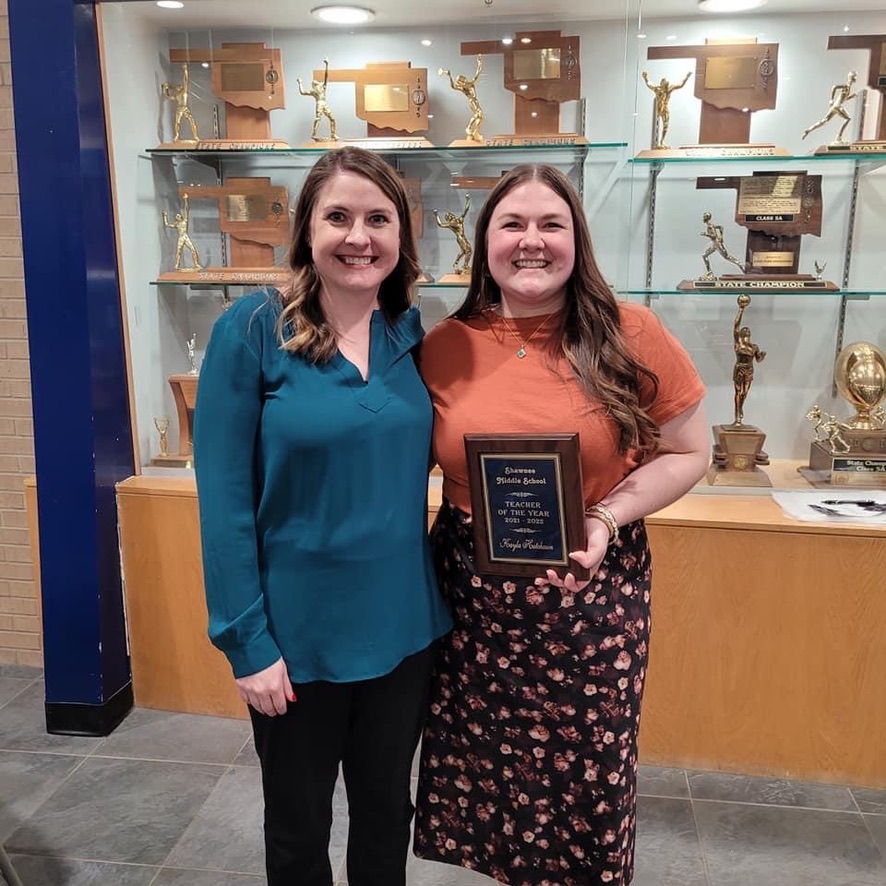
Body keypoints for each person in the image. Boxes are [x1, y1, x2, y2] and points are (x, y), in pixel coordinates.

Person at [412, 163, 709, 885]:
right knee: (488, 778)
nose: (531, 241)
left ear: (577, 238)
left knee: (586, 779)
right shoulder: (444, 345)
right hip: (470, 599)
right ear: (486, 243)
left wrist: (608, 518)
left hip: (592, 591)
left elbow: (691, 450)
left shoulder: (631, 333)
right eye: (512, 224)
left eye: (551, 224)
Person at [194, 146, 451, 886]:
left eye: (378, 218)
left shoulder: (411, 335)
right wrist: (246, 642)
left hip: (404, 635)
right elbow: (225, 504)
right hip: (294, 644)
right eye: (337, 216)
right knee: (299, 833)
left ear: (401, 236)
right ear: (307, 229)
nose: (357, 236)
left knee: (384, 823)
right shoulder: (252, 330)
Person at [731, 295, 766, 427]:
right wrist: (741, 309)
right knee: (738, 392)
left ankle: (740, 409)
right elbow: (735, 325)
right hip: (739, 368)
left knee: (745, 393)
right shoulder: (738, 344)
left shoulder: (754, 346)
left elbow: (758, 360)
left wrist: (762, 356)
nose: (746, 330)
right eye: (744, 330)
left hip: (749, 369)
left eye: (747, 330)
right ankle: (737, 418)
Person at [641, 70, 691, 149]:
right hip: (659, 107)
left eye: (666, 82)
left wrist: (687, 77)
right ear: (662, 84)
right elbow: (649, 84)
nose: (666, 83)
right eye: (664, 82)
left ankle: (662, 141)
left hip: (665, 108)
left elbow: (680, 85)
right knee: (661, 123)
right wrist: (646, 78)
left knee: (666, 125)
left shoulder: (670, 88)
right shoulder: (658, 89)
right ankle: (659, 142)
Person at [298, 57, 338, 142]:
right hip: (320, 103)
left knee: (332, 118)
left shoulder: (322, 87)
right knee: (318, 118)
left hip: (324, 103)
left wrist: (327, 64)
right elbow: (302, 92)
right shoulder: (313, 91)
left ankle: (333, 134)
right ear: (313, 85)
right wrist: (300, 83)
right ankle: (314, 133)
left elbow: (326, 76)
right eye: (314, 82)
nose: (315, 81)